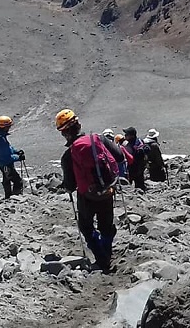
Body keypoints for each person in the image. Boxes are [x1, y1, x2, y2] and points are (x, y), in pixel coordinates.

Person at [55, 109, 124, 272]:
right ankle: (107, 252)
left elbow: (71, 186)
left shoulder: (69, 154)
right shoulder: (98, 138)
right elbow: (119, 156)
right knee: (106, 225)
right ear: (78, 124)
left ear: (64, 133)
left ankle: (101, 257)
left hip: (87, 196)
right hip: (108, 191)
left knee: (86, 227)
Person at [0, 115, 24, 199]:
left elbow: (8, 149)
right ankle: (14, 198)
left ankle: (8, 198)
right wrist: (18, 157)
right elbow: (6, 157)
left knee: (7, 180)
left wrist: (16, 152)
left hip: (3, 164)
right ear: (5, 127)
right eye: (9, 126)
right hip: (5, 164)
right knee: (17, 181)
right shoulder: (0, 139)